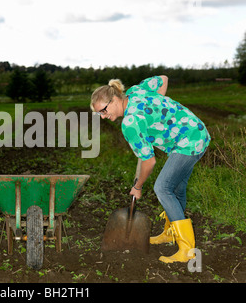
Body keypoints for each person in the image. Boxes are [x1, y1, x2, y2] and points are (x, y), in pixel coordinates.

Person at [90, 75, 210, 263]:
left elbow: (149, 161)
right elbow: (163, 79)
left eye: (104, 110)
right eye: (100, 114)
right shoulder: (136, 91)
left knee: (163, 188)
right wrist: (158, 113)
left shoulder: (130, 123)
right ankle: (170, 233)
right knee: (177, 188)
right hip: (196, 132)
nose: (104, 116)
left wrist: (138, 187)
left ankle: (187, 250)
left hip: (188, 143)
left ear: (114, 100)